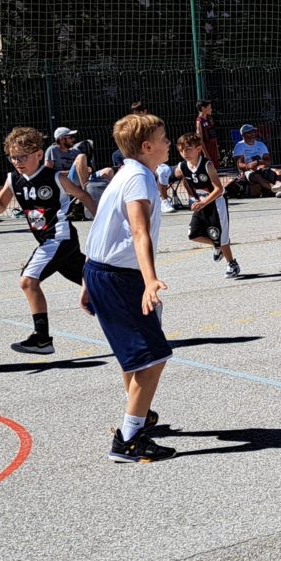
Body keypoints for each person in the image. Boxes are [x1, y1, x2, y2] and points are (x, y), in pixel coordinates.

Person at [80, 111, 177, 462]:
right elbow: (138, 231)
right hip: (120, 278)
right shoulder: (138, 179)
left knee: (136, 356)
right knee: (154, 358)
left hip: (102, 271)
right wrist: (150, 280)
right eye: (164, 138)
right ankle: (129, 440)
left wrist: (87, 280)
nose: (169, 143)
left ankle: (139, 414)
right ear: (147, 146)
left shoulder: (127, 173)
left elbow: (102, 226)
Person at [0, 127, 96, 355]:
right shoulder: (13, 180)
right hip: (49, 240)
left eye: (23, 157)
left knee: (28, 281)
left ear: (39, 154)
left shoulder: (55, 177)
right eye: (13, 157)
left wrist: (101, 222)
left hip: (59, 237)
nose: (17, 162)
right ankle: (134, 308)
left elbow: (83, 195)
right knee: (94, 283)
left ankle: (42, 338)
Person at [174, 132, 241, 278]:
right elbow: (186, 182)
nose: (184, 153)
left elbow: (219, 189)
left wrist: (204, 201)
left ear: (198, 149)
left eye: (188, 149)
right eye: (181, 150)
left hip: (216, 203)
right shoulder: (182, 167)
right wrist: (192, 198)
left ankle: (232, 264)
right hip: (201, 203)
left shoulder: (207, 165)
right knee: (193, 234)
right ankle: (216, 245)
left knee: (222, 237)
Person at [231, 124, 281, 197]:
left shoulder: (261, 144)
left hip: (261, 167)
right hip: (248, 171)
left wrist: (258, 162)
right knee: (256, 176)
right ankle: (276, 189)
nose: (253, 134)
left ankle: (278, 184)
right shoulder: (239, 146)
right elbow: (240, 164)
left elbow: (268, 160)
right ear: (243, 134)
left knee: (279, 171)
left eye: (253, 131)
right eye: (249, 132)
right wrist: (249, 166)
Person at [195, 99, 221, 170]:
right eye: (209, 107)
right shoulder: (199, 121)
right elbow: (200, 139)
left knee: (215, 169)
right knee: (207, 169)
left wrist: (217, 151)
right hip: (206, 148)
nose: (211, 109)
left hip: (213, 148)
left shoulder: (210, 119)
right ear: (203, 109)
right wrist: (205, 153)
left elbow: (214, 136)